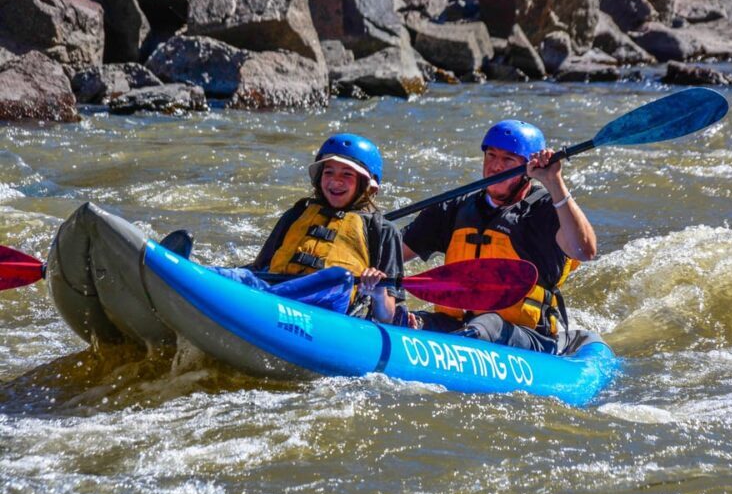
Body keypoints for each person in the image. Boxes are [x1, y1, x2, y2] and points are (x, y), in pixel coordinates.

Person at [161, 133, 404, 324]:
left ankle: (259, 303)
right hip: (277, 291)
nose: (335, 181)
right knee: (243, 276)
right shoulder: (297, 213)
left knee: (339, 278)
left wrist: (378, 293)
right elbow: (260, 268)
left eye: (347, 174)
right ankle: (179, 272)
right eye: (328, 172)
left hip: (329, 307)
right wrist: (236, 278)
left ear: (366, 185)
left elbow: (387, 316)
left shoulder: (383, 231)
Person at [401, 120, 597, 352]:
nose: (495, 166)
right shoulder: (453, 208)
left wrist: (554, 181)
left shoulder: (546, 210)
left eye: (508, 160)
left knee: (488, 324)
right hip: (456, 325)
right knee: (405, 320)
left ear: (528, 169)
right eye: (491, 155)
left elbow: (584, 250)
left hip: (525, 336)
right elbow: (394, 252)